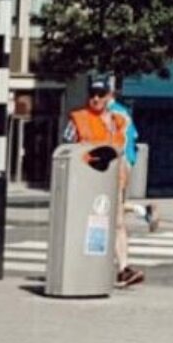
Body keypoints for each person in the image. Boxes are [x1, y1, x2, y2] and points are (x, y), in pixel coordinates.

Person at [64, 75, 142, 287]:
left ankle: (124, 269)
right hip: (85, 181)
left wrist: (126, 172)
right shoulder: (79, 119)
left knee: (117, 224)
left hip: (112, 181)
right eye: (92, 94)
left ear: (109, 96)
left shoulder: (119, 121)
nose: (95, 99)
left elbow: (124, 151)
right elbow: (66, 150)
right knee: (87, 225)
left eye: (100, 94)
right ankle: (79, 268)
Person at [106, 92, 160, 232]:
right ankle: (144, 212)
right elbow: (135, 134)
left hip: (118, 160)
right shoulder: (124, 112)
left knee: (112, 199)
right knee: (115, 199)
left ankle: (143, 212)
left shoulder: (111, 113)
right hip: (128, 158)